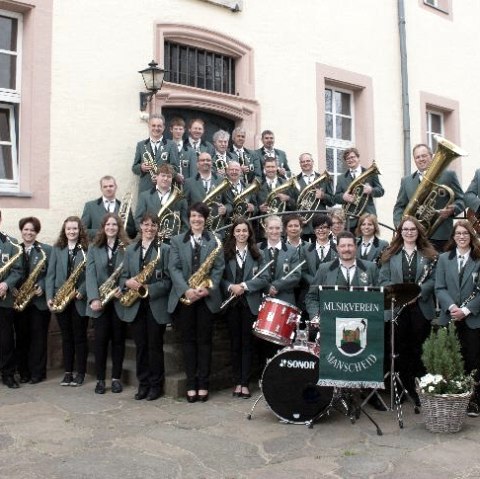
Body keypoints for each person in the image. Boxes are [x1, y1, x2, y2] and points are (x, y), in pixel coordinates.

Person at [168, 202, 225, 403]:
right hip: (185, 299)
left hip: (205, 298)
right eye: (193, 216)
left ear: (205, 219)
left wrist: (207, 289)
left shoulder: (215, 240)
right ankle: (191, 384)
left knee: (205, 342)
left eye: (200, 216)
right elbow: (173, 269)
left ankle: (203, 384)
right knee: (188, 342)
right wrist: (187, 289)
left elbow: (218, 269)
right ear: (188, 218)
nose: (196, 220)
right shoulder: (176, 240)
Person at [378, 216, 438, 406]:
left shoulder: (429, 254)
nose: (409, 232)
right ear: (400, 233)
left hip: (421, 307)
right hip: (398, 307)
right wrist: (401, 294)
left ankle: (418, 390)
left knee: (419, 348)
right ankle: (400, 389)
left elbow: (434, 281)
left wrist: (418, 293)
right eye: (405, 230)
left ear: (418, 232)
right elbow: (383, 280)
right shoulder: (389, 254)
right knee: (399, 348)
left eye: (413, 229)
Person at [119, 212, 171, 401]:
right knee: (141, 346)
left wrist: (148, 288)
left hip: (155, 305)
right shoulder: (131, 250)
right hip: (135, 305)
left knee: (154, 347)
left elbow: (168, 281)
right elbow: (123, 276)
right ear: (141, 227)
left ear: (157, 228)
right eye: (146, 225)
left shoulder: (165, 249)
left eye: (153, 225)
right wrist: (128, 283)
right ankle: (143, 384)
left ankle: (156, 385)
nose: (149, 228)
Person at [435, 220, 480, 417]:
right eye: (458, 233)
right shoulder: (444, 259)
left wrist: (467, 310)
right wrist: (453, 307)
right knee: (451, 358)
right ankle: (452, 397)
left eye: (466, 233)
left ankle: (473, 400)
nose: (462, 237)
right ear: (453, 237)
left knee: (473, 360)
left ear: (472, 236)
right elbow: (440, 287)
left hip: (472, 319)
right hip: (450, 317)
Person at [221, 218, 269, 399]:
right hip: (232, 305)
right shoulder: (226, 253)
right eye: (238, 231)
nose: (241, 234)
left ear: (249, 233)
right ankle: (237, 382)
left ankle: (245, 382)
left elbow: (264, 279)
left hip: (250, 305)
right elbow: (220, 277)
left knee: (248, 345)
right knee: (235, 344)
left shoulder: (258, 253)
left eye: (244, 231)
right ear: (233, 233)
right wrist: (230, 287)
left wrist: (245, 286)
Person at [393, 143, 464, 252]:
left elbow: (462, 199)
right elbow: (399, 207)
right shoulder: (406, 181)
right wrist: (400, 226)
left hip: (441, 235)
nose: (421, 159)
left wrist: (453, 209)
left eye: (424, 156)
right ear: (414, 160)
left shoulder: (448, 175)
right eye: (417, 157)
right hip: (414, 237)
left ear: (432, 156)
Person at [86, 213, 129, 394]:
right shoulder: (94, 248)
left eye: (114, 225)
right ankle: (101, 380)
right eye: (108, 225)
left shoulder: (127, 248)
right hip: (101, 302)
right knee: (101, 341)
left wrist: (122, 288)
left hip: (118, 300)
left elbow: (129, 272)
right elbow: (90, 275)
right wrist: (94, 298)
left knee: (119, 341)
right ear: (103, 227)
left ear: (119, 228)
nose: (111, 228)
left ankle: (116, 378)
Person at [46, 216, 89, 387]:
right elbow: (50, 275)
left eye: (75, 229)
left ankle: (81, 373)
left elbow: (92, 274)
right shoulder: (58, 249)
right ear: (64, 231)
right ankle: (68, 372)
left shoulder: (87, 249)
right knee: (66, 338)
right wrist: (50, 296)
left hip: (78, 299)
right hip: (61, 298)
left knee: (80, 338)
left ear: (80, 231)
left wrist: (82, 291)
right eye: (69, 229)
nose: (72, 232)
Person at [305, 230, 378, 321]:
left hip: (363, 324)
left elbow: (380, 297)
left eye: (350, 245)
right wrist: (316, 316)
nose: (346, 249)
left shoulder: (370, 268)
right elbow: (312, 297)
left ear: (356, 247)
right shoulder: (324, 269)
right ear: (337, 248)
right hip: (331, 324)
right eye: (342, 246)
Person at [13, 217, 51, 384]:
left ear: (37, 232)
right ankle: (24, 372)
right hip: (19, 300)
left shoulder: (46, 250)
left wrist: (42, 286)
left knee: (39, 338)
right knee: (21, 338)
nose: (28, 233)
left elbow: (51, 274)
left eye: (32, 230)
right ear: (21, 231)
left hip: (38, 301)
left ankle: (38, 372)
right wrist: (12, 287)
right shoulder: (15, 249)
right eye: (26, 229)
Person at [334, 148, 384, 233]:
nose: (350, 160)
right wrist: (343, 197)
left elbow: (380, 191)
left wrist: (371, 190)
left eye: (352, 157)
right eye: (347, 159)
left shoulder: (370, 173)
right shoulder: (341, 178)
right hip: (350, 219)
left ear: (358, 158)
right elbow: (335, 197)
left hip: (368, 217)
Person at [0, 210, 24, 389]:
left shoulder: (12, 244)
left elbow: (18, 271)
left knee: (6, 339)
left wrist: (6, 285)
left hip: (4, 299)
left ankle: (8, 375)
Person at [134, 164, 188, 238]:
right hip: (149, 240)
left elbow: (185, 224)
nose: (165, 179)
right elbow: (138, 220)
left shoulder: (180, 198)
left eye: (169, 176)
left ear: (172, 179)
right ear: (156, 177)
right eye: (163, 175)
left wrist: (178, 240)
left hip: (172, 242)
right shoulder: (144, 196)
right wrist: (148, 233)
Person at [132, 113, 179, 194]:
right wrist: (141, 168)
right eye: (153, 125)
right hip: (145, 189)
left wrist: (161, 177)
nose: (156, 128)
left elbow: (175, 168)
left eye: (159, 126)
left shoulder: (171, 145)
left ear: (163, 128)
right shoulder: (141, 145)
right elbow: (134, 168)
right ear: (149, 127)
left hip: (165, 189)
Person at [183, 152, 231, 231]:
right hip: (195, 228)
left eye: (208, 160)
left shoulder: (222, 181)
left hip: (217, 229)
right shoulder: (188, 182)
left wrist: (225, 209)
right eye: (202, 160)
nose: (205, 162)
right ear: (197, 164)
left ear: (212, 163)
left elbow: (229, 204)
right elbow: (184, 208)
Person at [81, 175, 135, 240]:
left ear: (116, 187)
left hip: (118, 248)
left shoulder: (125, 207)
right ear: (101, 189)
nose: (108, 189)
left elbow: (133, 232)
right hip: (97, 247)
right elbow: (82, 230)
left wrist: (120, 229)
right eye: (105, 187)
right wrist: (103, 232)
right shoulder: (90, 206)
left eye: (111, 186)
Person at [295, 153, 334, 242]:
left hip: (320, 224)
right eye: (303, 162)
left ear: (312, 162)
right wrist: (297, 218)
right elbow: (293, 203)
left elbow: (332, 201)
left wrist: (323, 196)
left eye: (308, 161)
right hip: (302, 225)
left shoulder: (324, 179)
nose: (306, 163)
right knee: (302, 252)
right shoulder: (295, 181)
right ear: (300, 164)